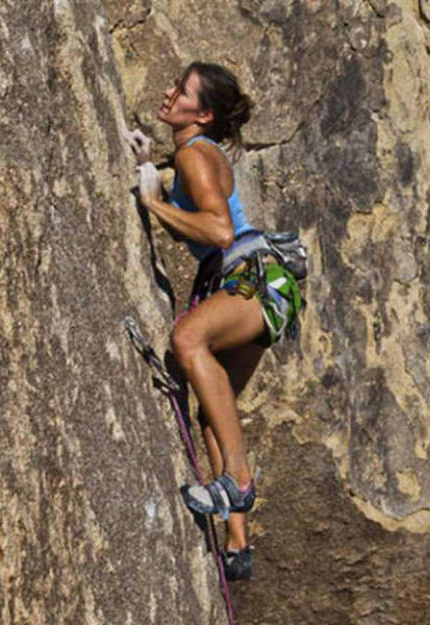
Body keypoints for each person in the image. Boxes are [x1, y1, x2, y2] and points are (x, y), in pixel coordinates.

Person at [126, 62, 301, 581]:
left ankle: (239, 483)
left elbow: (219, 231)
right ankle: (237, 542)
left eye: (180, 90)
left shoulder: (195, 154)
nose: (168, 90)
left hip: (247, 278)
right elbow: (199, 214)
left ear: (201, 114)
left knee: (188, 338)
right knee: (212, 411)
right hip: (263, 286)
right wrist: (151, 173)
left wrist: (152, 204)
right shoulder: (193, 158)